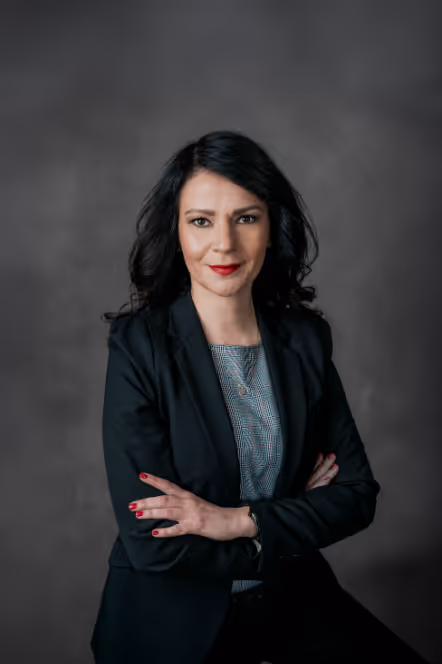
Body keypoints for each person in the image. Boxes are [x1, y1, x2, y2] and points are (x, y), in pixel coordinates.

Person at [90, 130, 428, 664]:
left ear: (272, 229)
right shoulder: (138, 347)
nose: (224, 243)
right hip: (175, 625)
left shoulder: (305, 341)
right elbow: (154, 543)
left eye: (245, 218)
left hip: (291, 602)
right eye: (201, 221)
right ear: (176, 232)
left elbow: (356, 496)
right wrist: (286, 526)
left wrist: (235, 520)